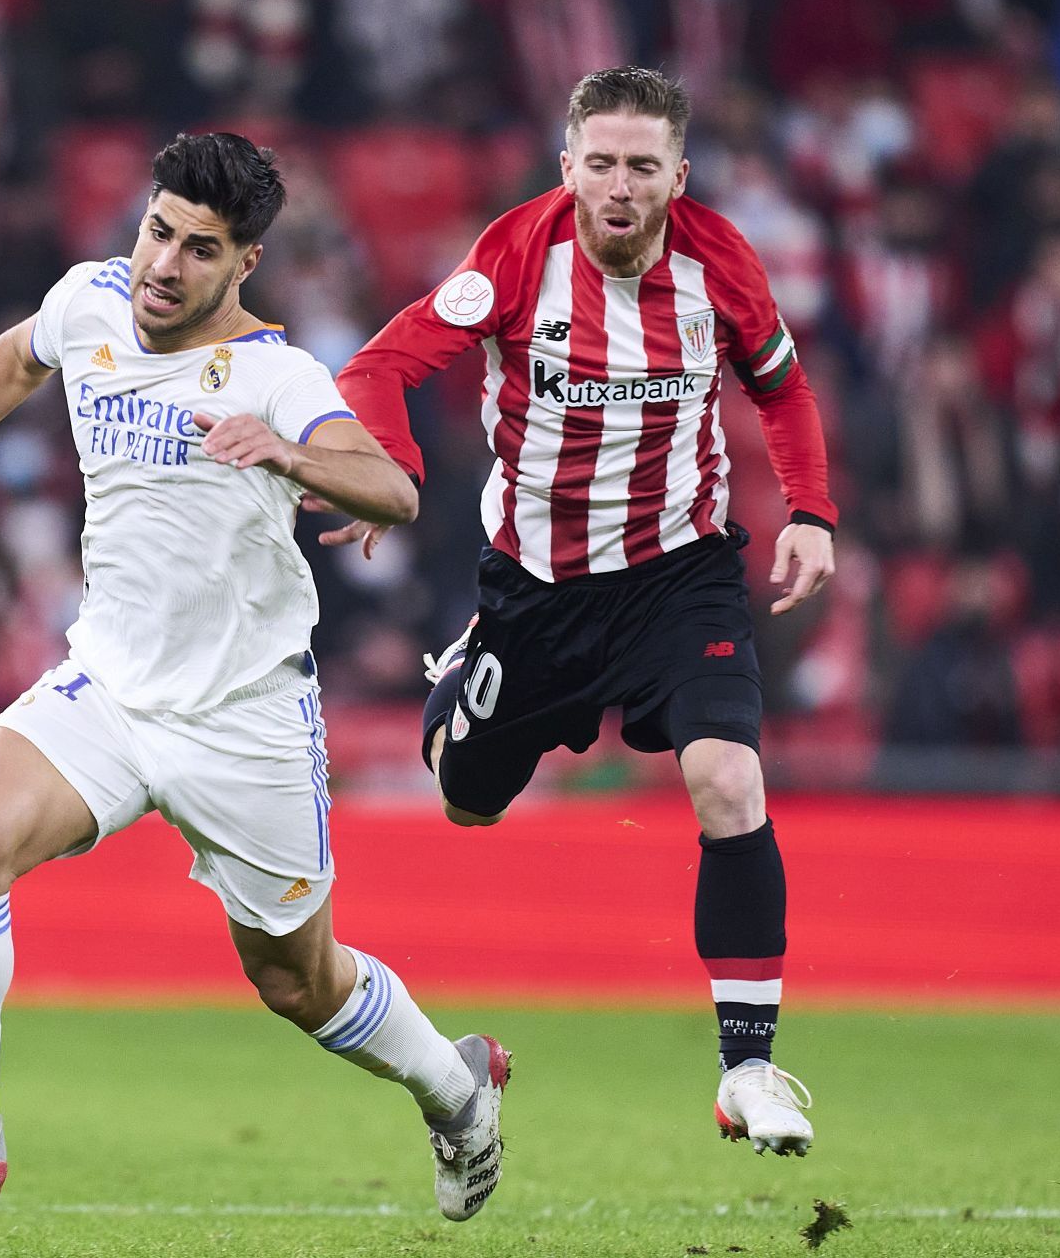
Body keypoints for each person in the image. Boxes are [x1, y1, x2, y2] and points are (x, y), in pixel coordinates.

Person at [0, 133, 511, 1225]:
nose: (163, 265)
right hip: (110, 683)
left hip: (246, 717)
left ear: (246, 262)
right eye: (157, 231)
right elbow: (17, 356)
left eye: (199, 248)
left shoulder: (279, 377)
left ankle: (456, 1089)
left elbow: (391, 490)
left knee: (297, 981)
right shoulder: (91, 301)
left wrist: (286, 453)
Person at [324, 67, 837, 1156]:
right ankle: (469, 673)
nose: (618, 184)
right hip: (539, 591)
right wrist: (395, 474)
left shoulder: (723, 263)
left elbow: (780, 385)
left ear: (677, 175)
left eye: (641, 166)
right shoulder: (515, 254)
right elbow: (379, 365)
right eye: (598, 162)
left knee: (728, 775)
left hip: (679, 572)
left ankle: (748, 1066)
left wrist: (811, 510)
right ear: (568, 167)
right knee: (467, 801)